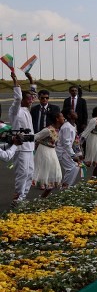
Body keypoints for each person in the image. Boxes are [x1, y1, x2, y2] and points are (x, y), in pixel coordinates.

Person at [8, 70, 36, 203]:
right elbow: (18, 98)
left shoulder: (26, 109)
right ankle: (17, 198)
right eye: (29, 98)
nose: (31, 100)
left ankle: (22, 198)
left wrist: (31, 80)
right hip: (20, 147)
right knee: (22, 173)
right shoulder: (15, 110)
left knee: (30, 173)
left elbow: (33, 94)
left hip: (30, 147)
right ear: (23, 100)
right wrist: (15, 81)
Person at [33, 112, 64, 197]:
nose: (64, 118)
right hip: (44, 151)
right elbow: (35, 137)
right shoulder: (47, 130)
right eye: (62, 117)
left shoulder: (58, 130)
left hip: (52, 152)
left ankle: (43, 197)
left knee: (55, 174)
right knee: (45, 173)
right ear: (57, 119)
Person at [56, 111, 82, 188]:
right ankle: (65, 185)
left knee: (76, 166)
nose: (76, 113)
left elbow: (75, 141)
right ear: (69, 116)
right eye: (73, 112)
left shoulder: (74, 125)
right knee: (71, 168)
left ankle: (68, 185)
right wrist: (73, 155)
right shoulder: (67, 126)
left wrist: (78, 153)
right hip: (63, 151)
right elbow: (66, 143)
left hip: (69, 151)